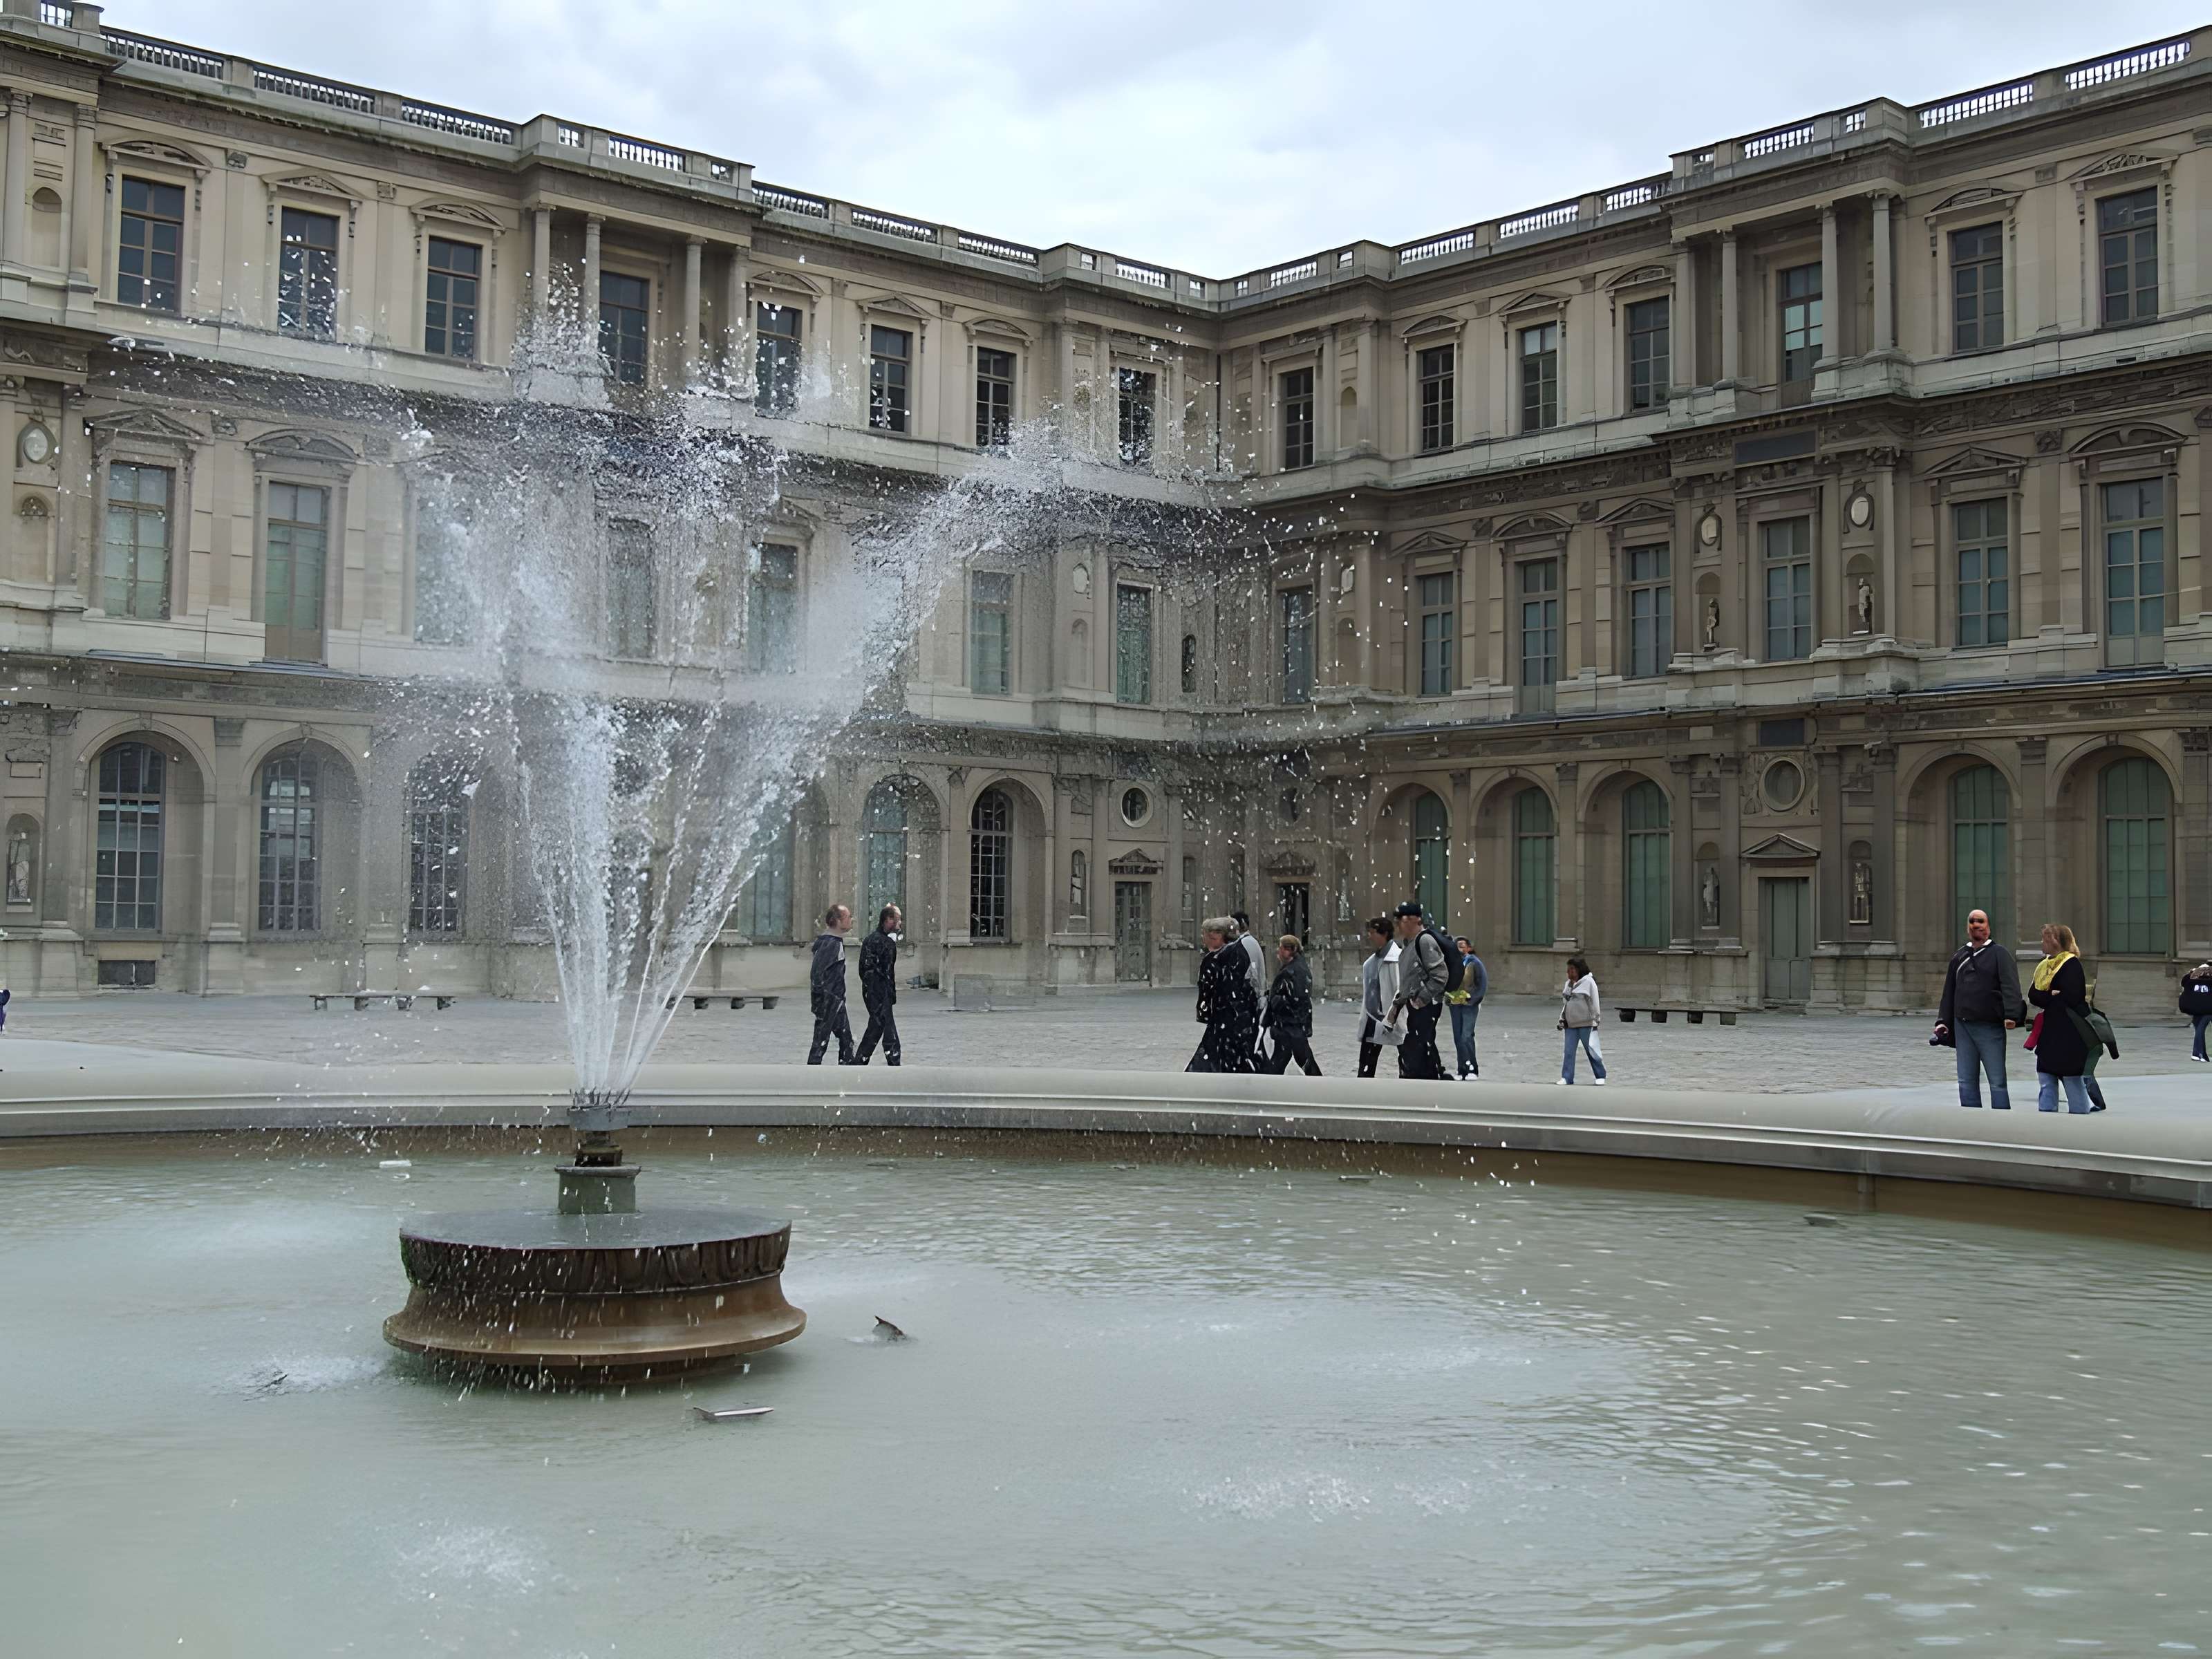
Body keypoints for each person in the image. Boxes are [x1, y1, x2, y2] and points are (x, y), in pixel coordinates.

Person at [1934, 908, 2023, 1110]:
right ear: (1968, 928)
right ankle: (1971, 1120)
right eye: (1973, 922)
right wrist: (1943, 1022)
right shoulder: (1959, 956)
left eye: (1981, 921)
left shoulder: (1999, 954)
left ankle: (2001, 1120)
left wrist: (2012, 1015)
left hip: (1990, 1027)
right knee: (1966, 1080)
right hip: (1963, 1026)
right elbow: (1949, 992)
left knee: (1997, 1080)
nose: (1977, 925)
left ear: (1988, 927)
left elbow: (2011, 986)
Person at [2026, 922, 2094, 1114]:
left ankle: (2079, 1122)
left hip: (2070, 1034)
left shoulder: (2071, 964)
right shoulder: (2044, 966)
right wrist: (2051, 995)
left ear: (2055, 941)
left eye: (2045, 939)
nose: (2042, 943)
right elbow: (2033, 995)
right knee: (2046, 1078)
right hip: (2049, 1033)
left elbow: (2071, 997)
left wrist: (2049, 996)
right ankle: (2047, 1121)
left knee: (2072, 1080)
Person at [1387, 901, 1449, 1081]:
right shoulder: (1408, 944)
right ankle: (1428, 1080)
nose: (1398, 925)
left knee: (1417, 1049)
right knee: (1419, 1048)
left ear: (1414, 920)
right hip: (1412, 1007)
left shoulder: (1425, 941)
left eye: (1401, 920)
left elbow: (1440, 975)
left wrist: (1421, 999)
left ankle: (1423, 1084)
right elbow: (1409, 979)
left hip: (1425, 1007)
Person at [1189, 917, 1259, 1073]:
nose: (1203, 938)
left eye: (1205, 934)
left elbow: (1207, 991)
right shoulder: (1241, 951)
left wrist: (1204, 1012)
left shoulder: (1213, 959)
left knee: (1210, 1058)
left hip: (1224, 1017)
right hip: (1242, 1015)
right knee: (1236, 1057)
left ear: (1216, 936)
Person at [1262, 934, 1322, 1076]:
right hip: (1290, 1026)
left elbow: (1297, 997)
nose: (1278, 952)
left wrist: (1276, 1001)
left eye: (1281, 948)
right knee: (1281, 1060)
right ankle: (1270, 1082)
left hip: (1291, 1026)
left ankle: (1319, 1084)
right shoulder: (1294, 968)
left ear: (1289, 951)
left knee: (1300, 1058)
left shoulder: (1295, 970)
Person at [806, 903, 857, 1065]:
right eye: (848, 917)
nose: (851, 920)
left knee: (845, 1039)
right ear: (837, 921)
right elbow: (817, 974)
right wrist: (824, 1000)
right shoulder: (830, 943)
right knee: (821, 1042)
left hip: (835, 1000)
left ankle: (846, 1071)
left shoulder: (834, 942)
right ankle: (812, 1074)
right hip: (829, 1001)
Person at [854, 903, 903, 1066]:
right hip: (881, 992)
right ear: (888, 920)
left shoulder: (869, 940)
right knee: (885, 1027)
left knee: (878, 1025)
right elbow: (889, 973)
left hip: (870, 991)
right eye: (897, 920)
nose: (900, 924)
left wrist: (869, 987)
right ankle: (892, 1059)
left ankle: (861, 1060)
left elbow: (862, 969)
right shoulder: (888, 944)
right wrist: (890, 995)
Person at [1354, 917, 1400, 1079]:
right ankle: (1363, 1089)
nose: (1369, 936)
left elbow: (1400, 991)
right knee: (1366, 1063)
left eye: (1373, 933)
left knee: (1407, 1055)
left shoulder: (1397, 960)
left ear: (1385, 934)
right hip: (1373, 1018)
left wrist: (1393, 1016)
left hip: (1395, 1016)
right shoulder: (1371, 963)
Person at [1557, 956, 1607, 1084]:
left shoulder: (1589, 982)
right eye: (1568, 969)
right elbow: (1566, 1004)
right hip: (1571, 1024)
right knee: (1568, 1052)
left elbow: (1595, 1001)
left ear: (1579, 969)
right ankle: (1567, 1077)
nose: (1569, 972)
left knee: (1592, 1050)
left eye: (1572, 969)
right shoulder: (1567, 985)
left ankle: (1600, 1075)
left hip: (1586, 1023)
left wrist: (1597, 1018)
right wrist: (1562, 1019)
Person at [1445, 936, 1487, 1080]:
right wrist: (1447, 997)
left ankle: (1472, 1069)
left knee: (1466, 1036)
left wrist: (1473, 999)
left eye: (1463, 946)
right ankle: (1461, 1070)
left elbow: (1482, 984)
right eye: (1457, 946)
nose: (1460, 948)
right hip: (1455, 1005)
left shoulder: (1475, 963)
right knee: (1458, 1038)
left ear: (1469, 948)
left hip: (1470, 1005)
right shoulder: (1453, 963)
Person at [1232, 910, 1267, 1060]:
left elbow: (1251, 974)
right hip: (1254, 995)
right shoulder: (1251, 942)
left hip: (1248, 996)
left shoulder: (1244, 944)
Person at [2182, 963, 2212, 1063]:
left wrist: (2193, 972)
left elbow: (2183, 983)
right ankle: (2203, 1054)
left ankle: (2196, 1053)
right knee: (2201, 1029)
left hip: (2194, 1007)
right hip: (2208, 1007)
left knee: (2199, 1029)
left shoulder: (2192, 978)